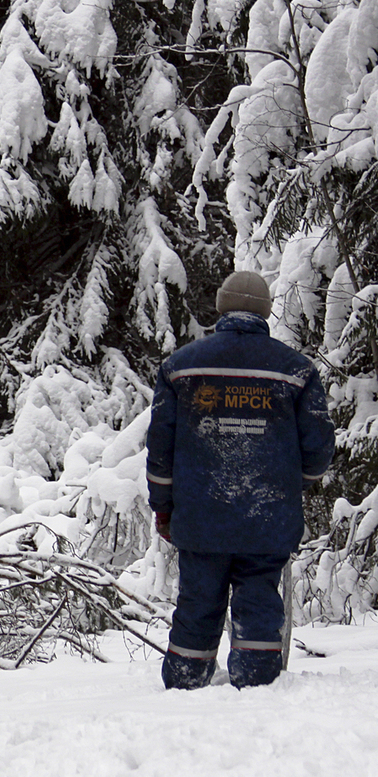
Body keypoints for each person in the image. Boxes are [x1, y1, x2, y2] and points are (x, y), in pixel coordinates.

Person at [146, 271, 335, 690]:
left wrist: (163, 506)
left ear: (221, 306)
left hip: (200, 514)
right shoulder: (297, 370)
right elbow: (319, 447)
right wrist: (292, 485)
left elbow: (160, 449)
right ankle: (256, 685)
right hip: (267, 513)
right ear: (265, 311)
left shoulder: (180, 368)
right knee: (259, 598)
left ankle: (183, 683)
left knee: (197, 602)